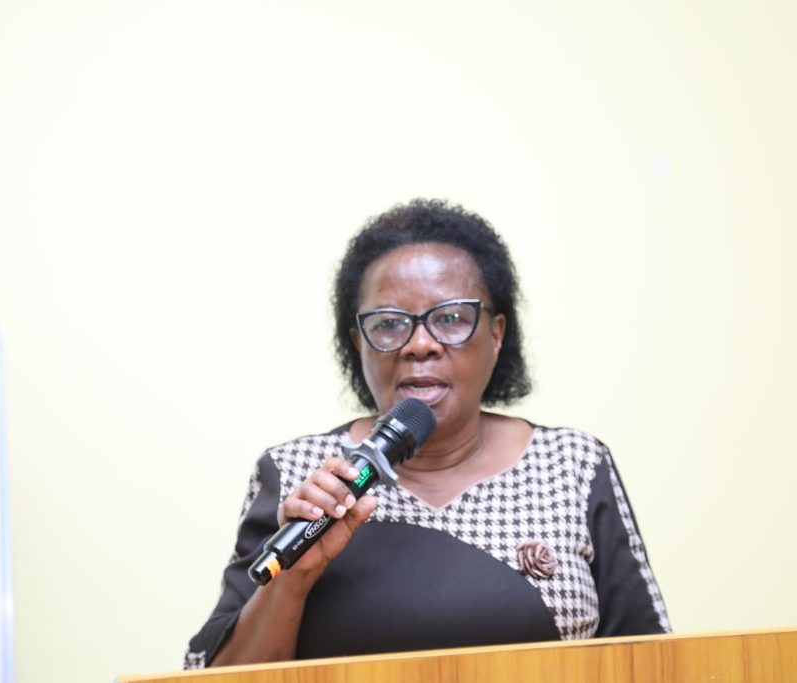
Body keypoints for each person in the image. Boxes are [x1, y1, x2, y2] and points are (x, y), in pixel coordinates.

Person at [184, 199, 669, 667]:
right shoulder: (298, 475)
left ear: (496, 333)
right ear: (358, 343)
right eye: (389, 324)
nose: (420, 345)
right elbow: (221, 676)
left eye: (451, 318)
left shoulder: (571, 465)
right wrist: (294, 578)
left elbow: (654, 664)